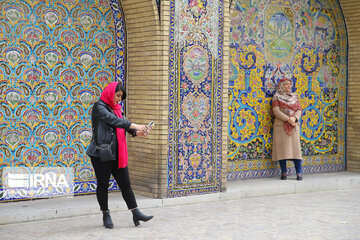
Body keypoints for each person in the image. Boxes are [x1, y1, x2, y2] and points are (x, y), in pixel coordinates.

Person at [86, 82, 154, 229]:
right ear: (111, 93)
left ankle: (136, 213)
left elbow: (122, 126)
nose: (119, 99)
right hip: (101, 154)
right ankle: (106, 214)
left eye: (121, 97)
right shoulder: (99, 107)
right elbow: (114, 121)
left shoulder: (116, 108)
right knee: (103, 185)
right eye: (118, 96)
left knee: (125, 184)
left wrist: (137, 133)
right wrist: (136, 125)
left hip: (118, 153)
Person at [271, 78, 303, 181]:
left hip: (293, 125)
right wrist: (288, 119)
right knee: (282, 150)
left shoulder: (295, 96)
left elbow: (299, 109)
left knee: (296, 150)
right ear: (281, 86)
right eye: (286, 84)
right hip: (281, 126)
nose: (289, 86)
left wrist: (294, 118)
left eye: (290, 84)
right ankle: (283, 173)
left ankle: (299, 173)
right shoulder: (277, 97)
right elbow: (276, 111)